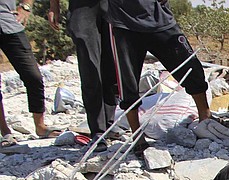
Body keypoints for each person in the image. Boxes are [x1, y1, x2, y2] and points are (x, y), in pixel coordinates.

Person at [106, 0, 212, 152]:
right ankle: (137, 136)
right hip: (123, 22)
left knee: (190, 66)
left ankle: (205, 116)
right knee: (127, 81)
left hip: (159, 18)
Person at [48, 0, 118, 151]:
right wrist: (54, 6)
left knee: (112, 65)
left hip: (113, 5)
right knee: (90, 68)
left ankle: (109, 123)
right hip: (81, 6)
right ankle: (98, 131)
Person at [0, 0, 63, 147]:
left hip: (9, 23)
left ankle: (40, 127)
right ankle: (5, 133)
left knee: (33, 76)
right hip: (9, 23)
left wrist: (26, 7)